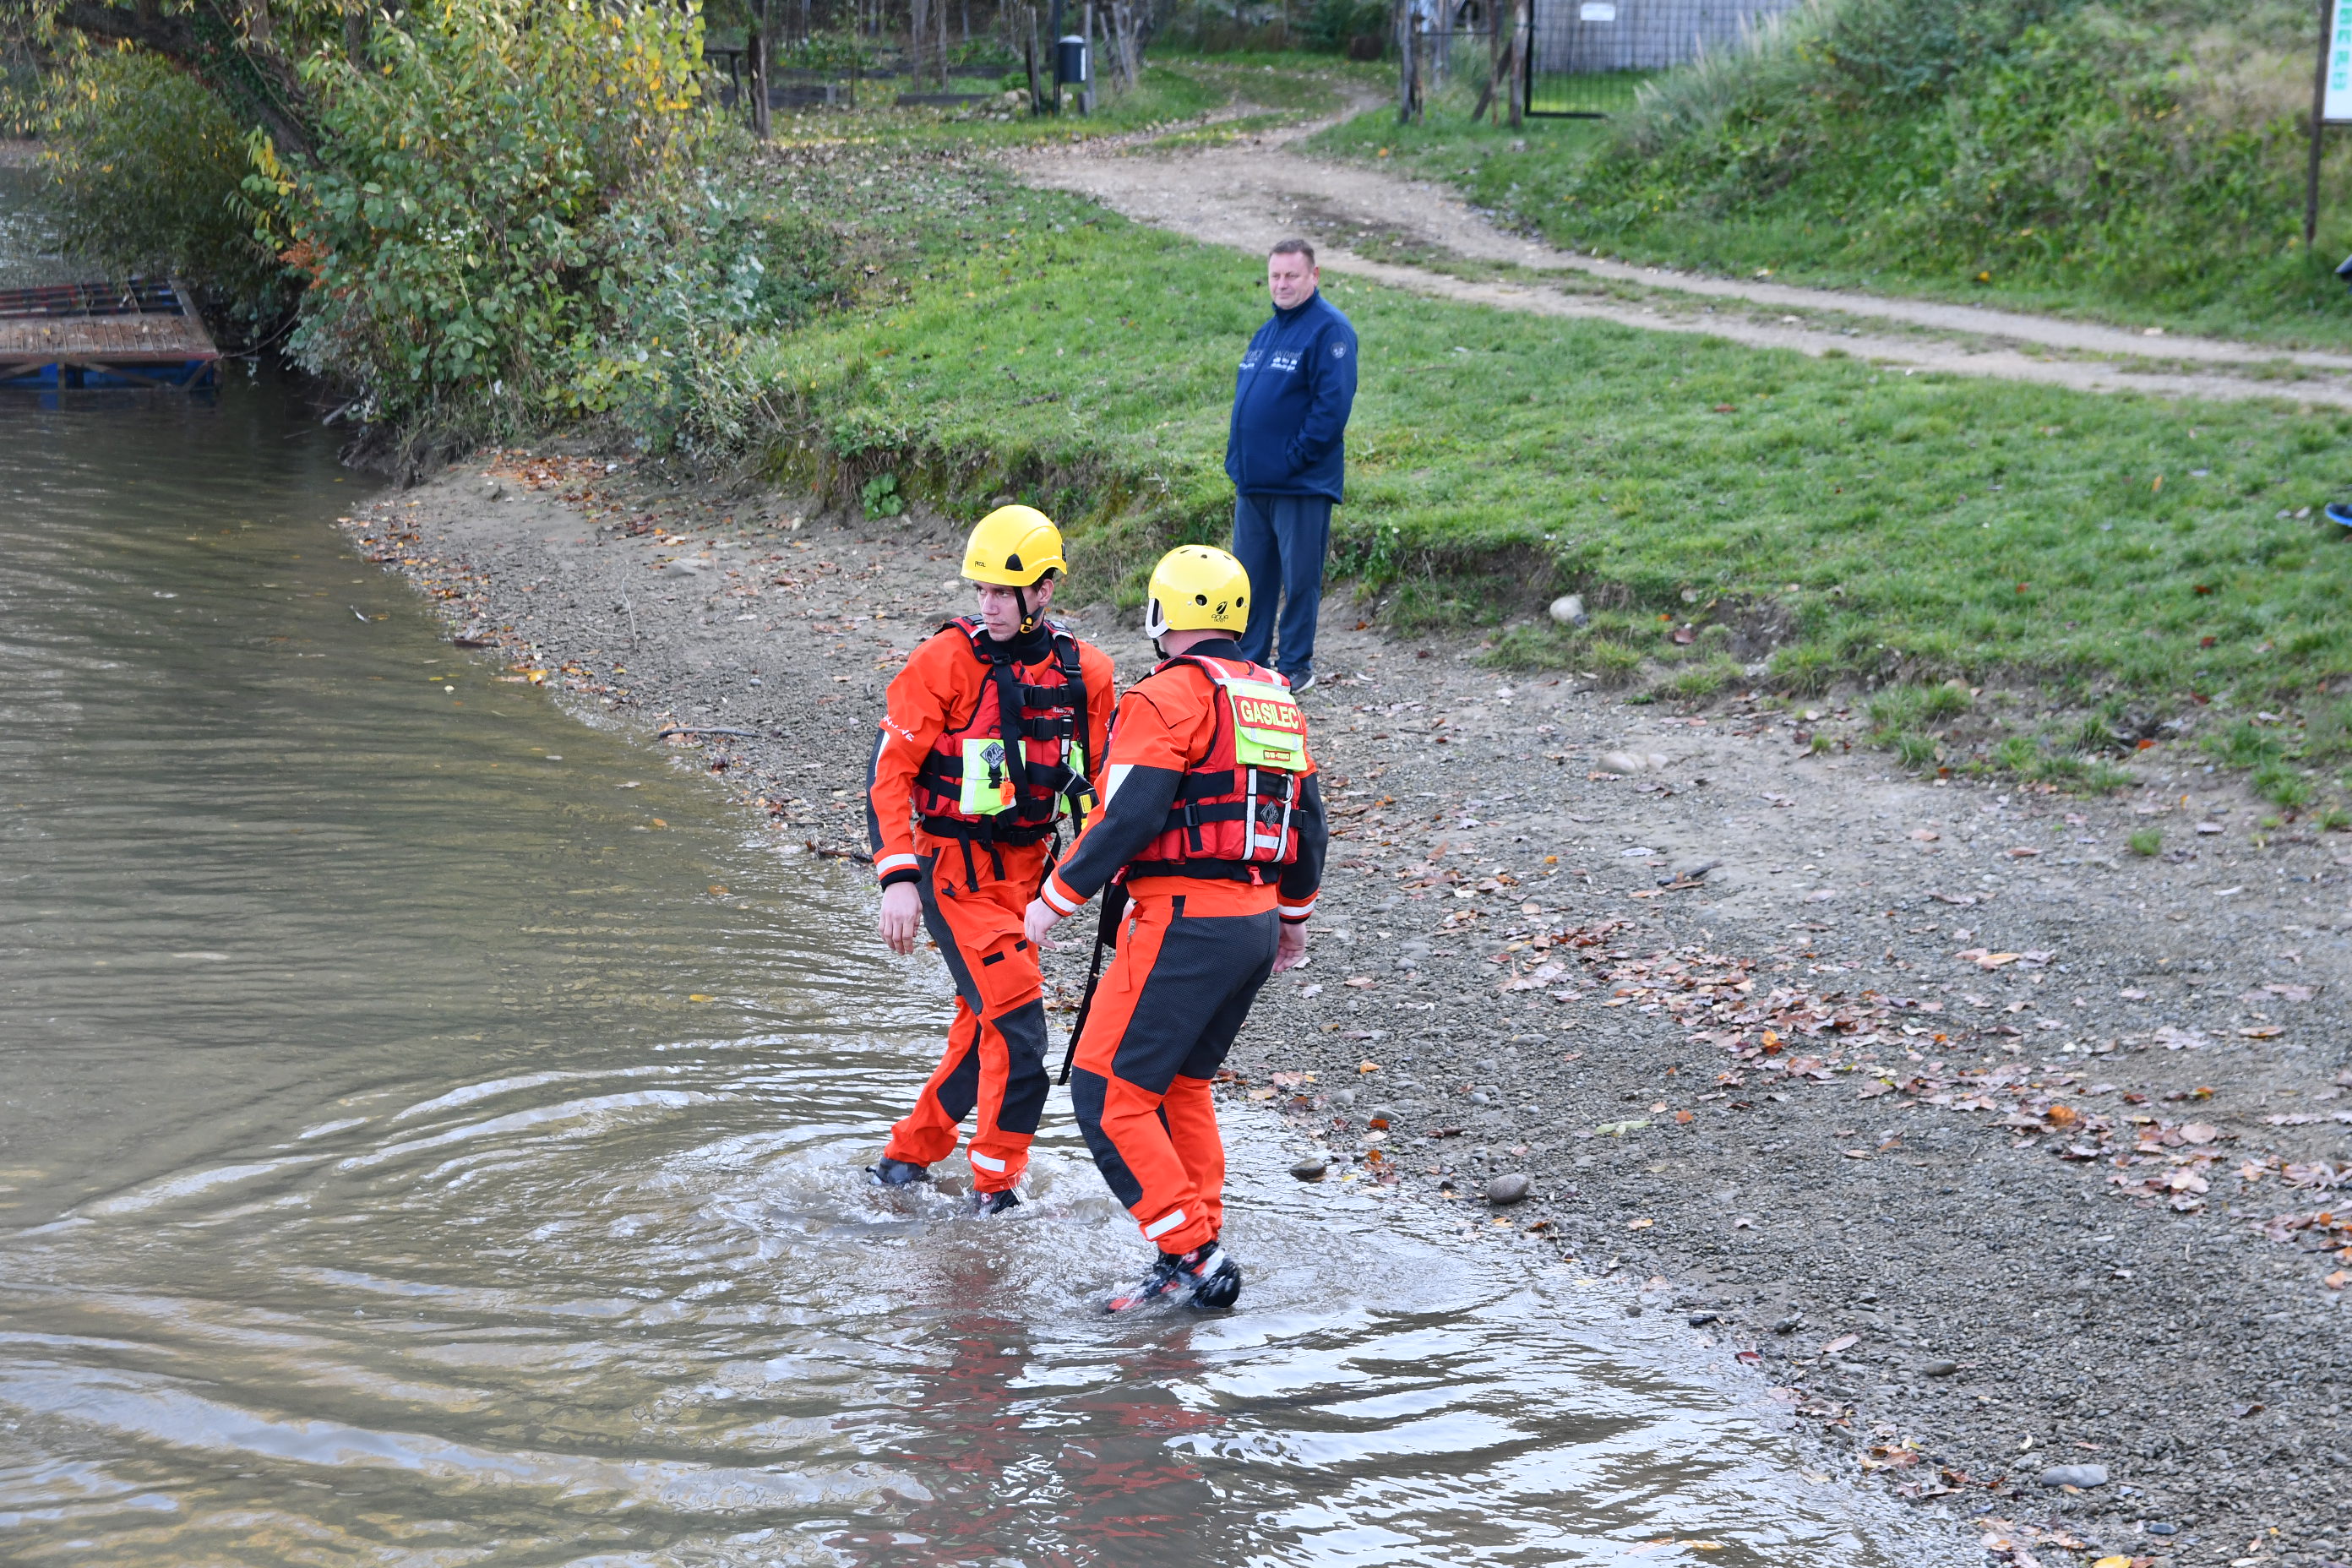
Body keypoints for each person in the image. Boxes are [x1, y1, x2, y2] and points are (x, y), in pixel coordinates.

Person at [1023, 546, 1327, 1311]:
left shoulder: (1163, 698)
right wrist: (1293, 920)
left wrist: (1053, 900)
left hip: (1186, 922)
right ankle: (1189, 1248)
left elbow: (1128, 816)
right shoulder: (1274, 698)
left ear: (1162, 613)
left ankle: (1194, 1252)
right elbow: (1310, 825)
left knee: (1104, 1092)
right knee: (1181, 1086)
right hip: (1254, 923)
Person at [866, 505, 1117, 1214]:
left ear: (1044, 591)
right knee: (1017, 1026)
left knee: (984, 1027)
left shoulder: (1088, 674)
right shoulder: (943, 661)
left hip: (1027, 879)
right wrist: (897, 880)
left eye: (1004, 592)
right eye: (981, 590)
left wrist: (1084, 886)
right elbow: (887, 775)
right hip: (951, 874)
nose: (989, 605)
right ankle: (996, 1192)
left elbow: (1106, 790)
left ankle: (903, 1162)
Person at [1225, 237, 1358, 696]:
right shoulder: (1267, 333)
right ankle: (1250, 660)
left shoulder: (1329, 330)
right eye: (1275, 276)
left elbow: (1332, 407)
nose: (1281, 284)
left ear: (1314, 276)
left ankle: (1296, 665)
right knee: (1250, 579)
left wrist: (1294, 458)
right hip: (1254, 484)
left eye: (1291, 275)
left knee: (1300, 579)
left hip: (1301, 484)